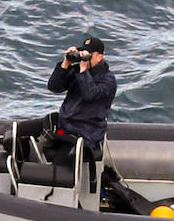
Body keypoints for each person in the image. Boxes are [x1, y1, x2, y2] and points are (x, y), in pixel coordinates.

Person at [15, 35, 117, 166]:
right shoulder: (77, 71)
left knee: (60, 162)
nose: (84, 58)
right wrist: (65, 64)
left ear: (99, 57)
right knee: (17, 133)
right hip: (65, 124)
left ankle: (51, 180)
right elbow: (54, 87)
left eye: (89, 55)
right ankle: (23, 170)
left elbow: (89, 94)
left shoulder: (108, 80)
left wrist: (83, 71)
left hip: (86, 131)